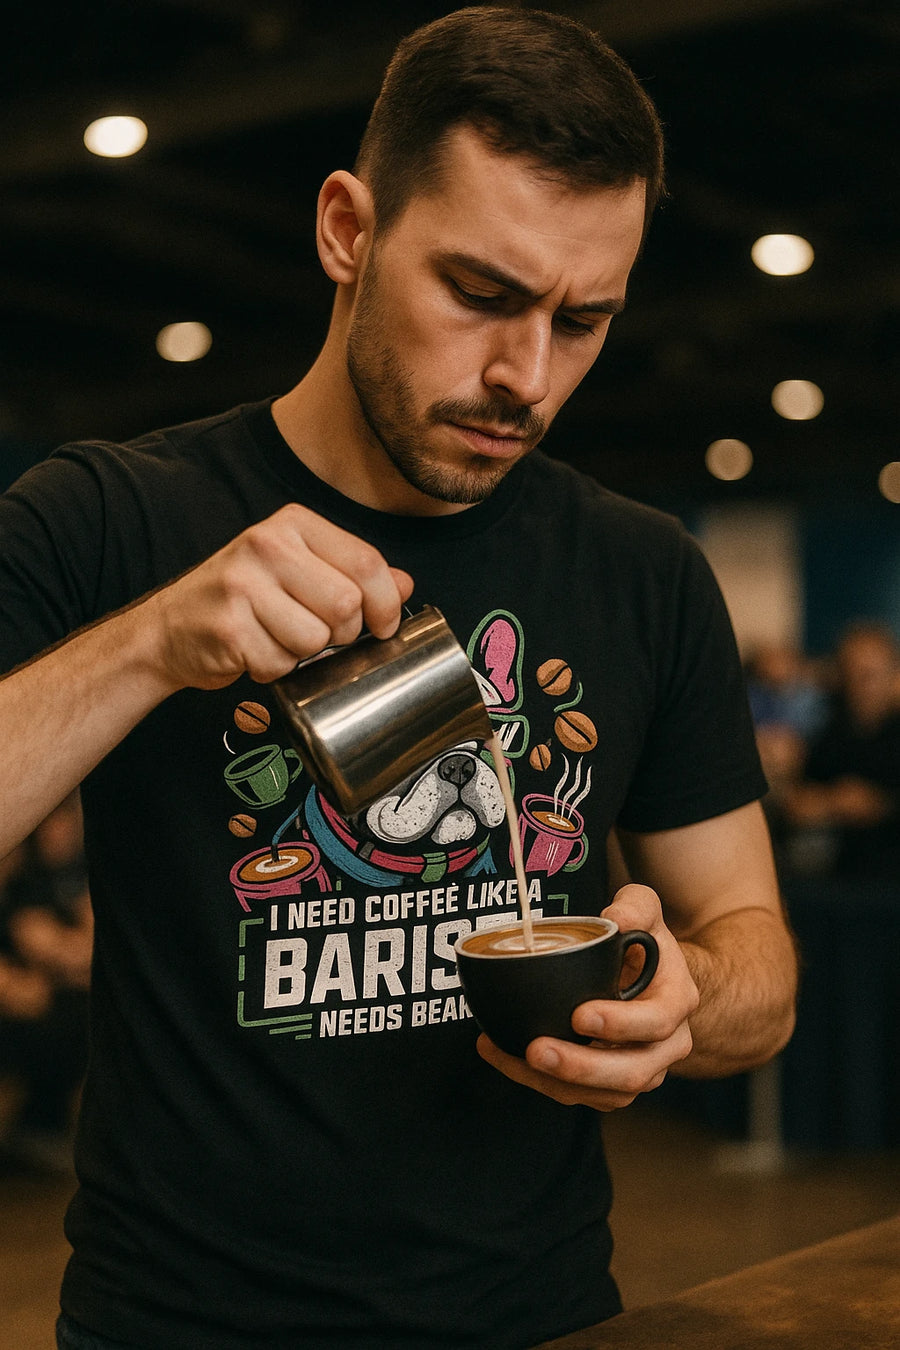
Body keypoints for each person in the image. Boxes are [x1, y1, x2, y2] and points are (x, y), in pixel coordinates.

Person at [0, 8, 797, 1348]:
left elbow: (758, 956)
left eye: (583, 320)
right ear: (348, 231)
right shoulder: (106, 519)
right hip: (180, 1319)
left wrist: (686, 1001)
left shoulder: (645, 569)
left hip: (539, 1313)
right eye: (481, 294)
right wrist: (149, 644)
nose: (525, 377)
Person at [0, 793, 92, 1173]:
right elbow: (35, 938)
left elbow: (89, 947)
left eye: (65, 819)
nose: (60, 831)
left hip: (43, 992)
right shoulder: (28, 876)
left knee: (84, 1010)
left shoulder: (74, 871)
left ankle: (38, 1130)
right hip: (26, 996)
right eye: (51, 821)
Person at [784, 621, 900, 880]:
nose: (859, 685)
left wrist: (880, 805)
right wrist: (831, 802)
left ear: (892, 674)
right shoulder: (828, 736)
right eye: (851, 673)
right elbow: (798, 803)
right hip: (834, 877)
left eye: (869, 675)